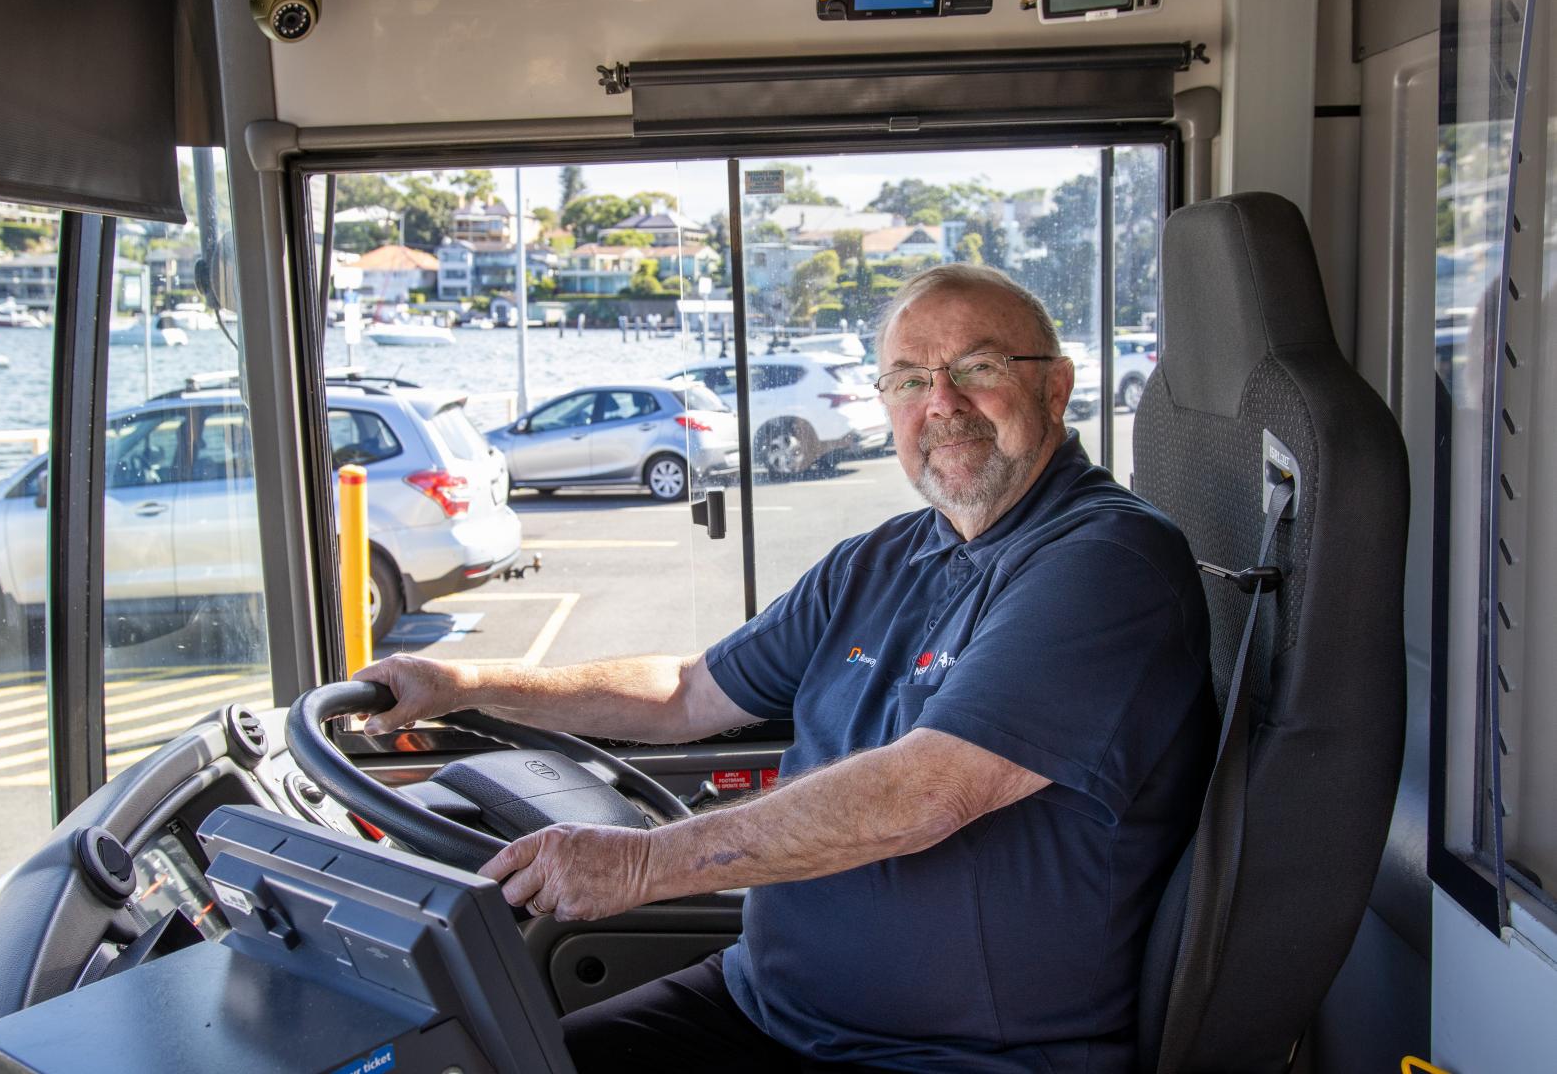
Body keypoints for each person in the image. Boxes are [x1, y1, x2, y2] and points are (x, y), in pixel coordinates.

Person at [356, 264, 1216, 1072]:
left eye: (977, 368)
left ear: (1054, 387)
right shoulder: (882, 559)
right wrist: (467, 684)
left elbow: (928, 790)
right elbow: (688, 692)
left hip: (954, 1055)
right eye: (910, 381)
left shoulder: (1110, 559)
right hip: (767, 1005)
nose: (942, 403)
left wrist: (638, 866)